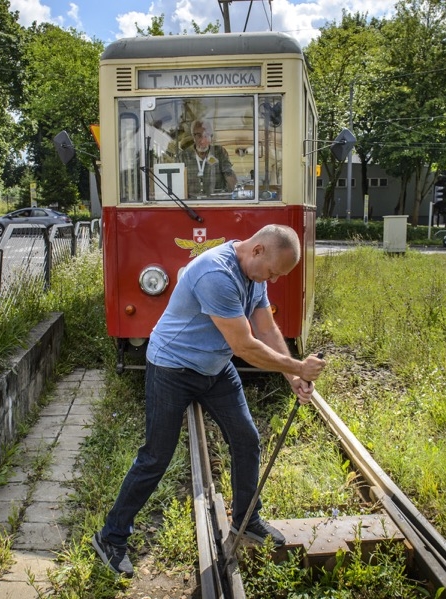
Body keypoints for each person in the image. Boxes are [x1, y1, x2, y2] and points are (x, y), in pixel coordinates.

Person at [92, 224, 326, 577]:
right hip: (172, 367)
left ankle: (247, 520)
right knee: (156, 456)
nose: (272, 280)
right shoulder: (216, 273)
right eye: (273, 272)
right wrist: (297, 365)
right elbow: (244, 346)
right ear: (259, 250)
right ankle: (111, 537)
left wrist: (293, 376)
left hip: (214, 368)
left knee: (246, 439)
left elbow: (265, 330)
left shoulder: (255, 273)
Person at [181, 119, 238, 197]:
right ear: (193, 136)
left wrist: (230, 193)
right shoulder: (183, 156)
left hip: (215, 203)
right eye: (198, 135)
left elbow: (229, 177)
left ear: (211, 137)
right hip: (190, 205)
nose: (203, 141)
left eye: (206, 135)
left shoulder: (219, 152)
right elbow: (176, 183)